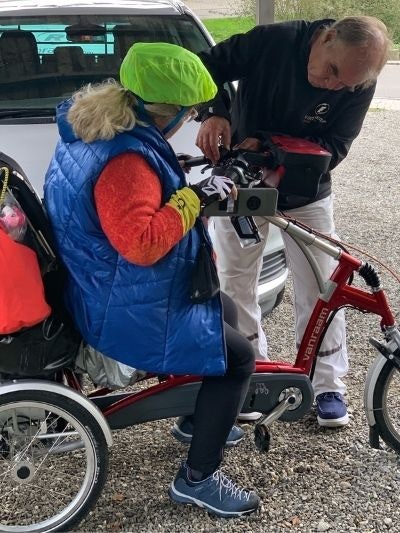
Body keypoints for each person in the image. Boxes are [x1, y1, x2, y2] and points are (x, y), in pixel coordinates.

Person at [43, 42, 260, 518]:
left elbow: (120, 200)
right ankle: (197, 478)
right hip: (118, 304)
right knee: (239, 359)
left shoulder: (96, 125)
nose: (190, 120)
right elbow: (141, 244)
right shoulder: (127, 161)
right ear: (170, 110)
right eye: (190, 112)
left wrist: (171, 176)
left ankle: (196, 418)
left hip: (97, 283)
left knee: (221, 309)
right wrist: (194, 198)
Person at [194, 15, 391, 426]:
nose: (334, 86)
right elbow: (204, 65)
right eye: (332, 71)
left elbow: (336, 145)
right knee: (235, 279)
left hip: (306, 189)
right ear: (328, 37)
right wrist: (214, 111)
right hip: (241, 183)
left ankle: (328, 384)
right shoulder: (273, 41)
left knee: (322, 282)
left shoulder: (358, 80)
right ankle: (252, 376)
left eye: (346, 85)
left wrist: (272, 150)